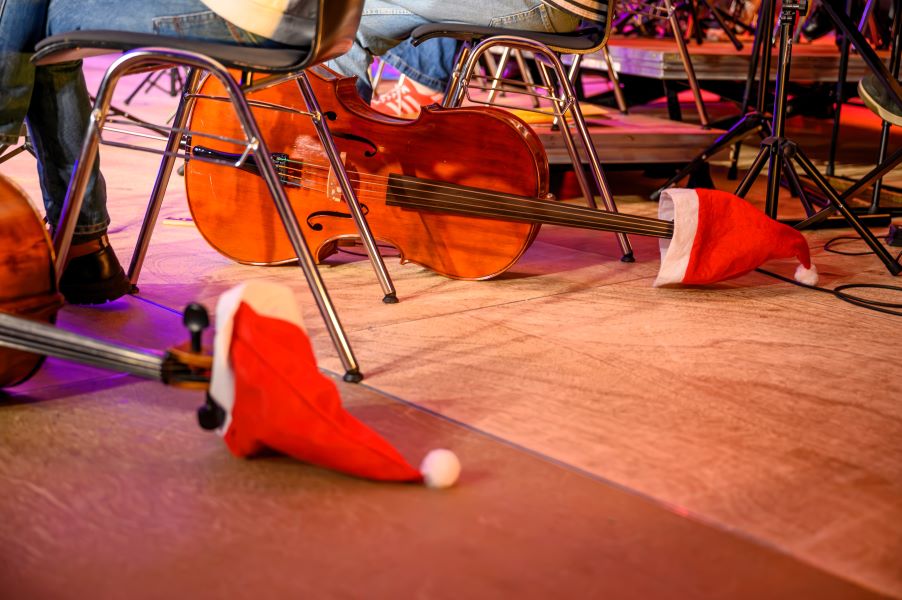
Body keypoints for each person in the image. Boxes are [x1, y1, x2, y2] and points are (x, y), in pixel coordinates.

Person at [0, 0, 593, 304]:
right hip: (316, 17)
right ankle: (84, 246)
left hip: (275, 18)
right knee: (31, 20)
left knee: (31, 21)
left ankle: (80, 237)